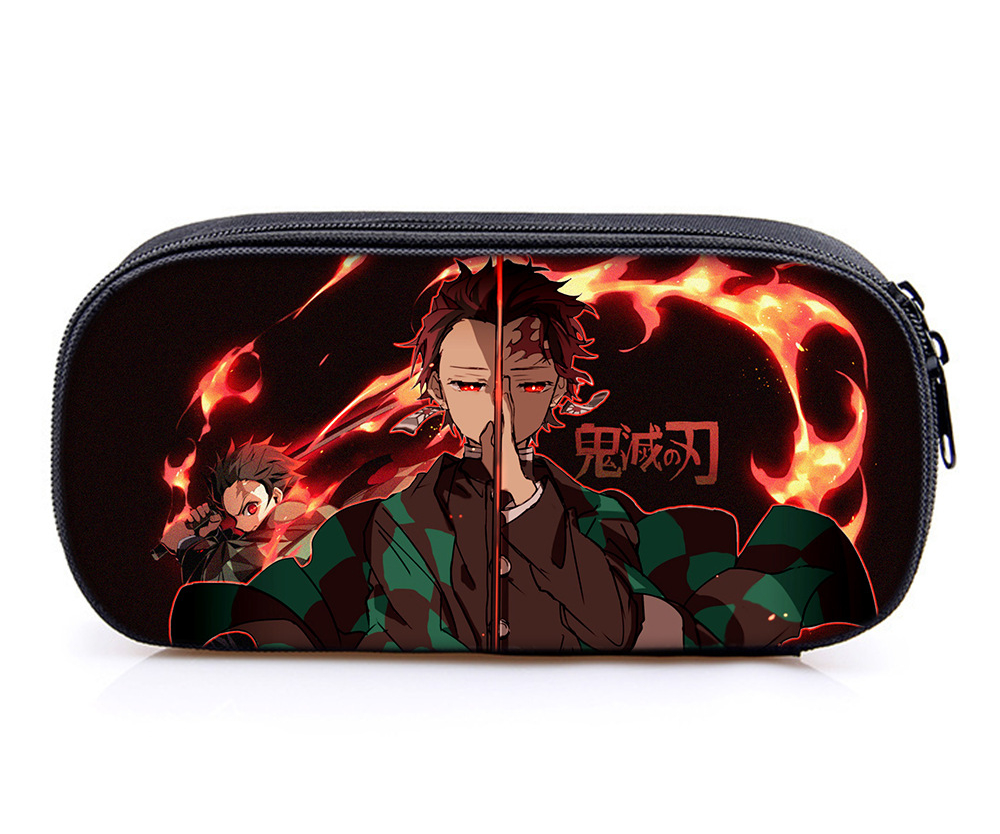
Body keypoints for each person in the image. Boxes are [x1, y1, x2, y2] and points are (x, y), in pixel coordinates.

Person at [168, 261, 876, 652]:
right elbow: (276, 612)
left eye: (528, 384)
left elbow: (670, 622)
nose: (499, 407)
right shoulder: (374, 531)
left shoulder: (615, 527)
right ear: (436, 390)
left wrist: (529, 505)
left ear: (564, 390)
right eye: (472, 385)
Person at [156, 441, 332, 585]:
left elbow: (209, 591)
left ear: (276, 496)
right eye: (234, 517)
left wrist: (186, 544)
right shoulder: (317, 514)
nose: (242, 525)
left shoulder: (287, 533)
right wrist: (213, 537)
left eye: (250, 508)